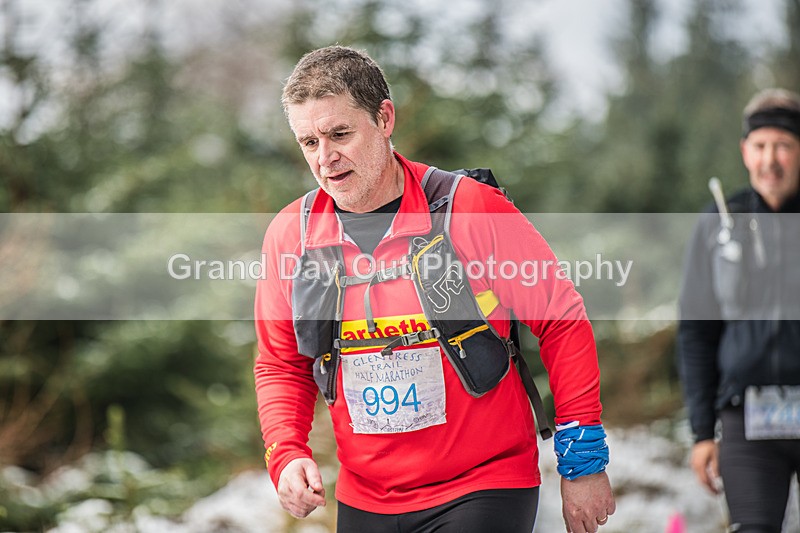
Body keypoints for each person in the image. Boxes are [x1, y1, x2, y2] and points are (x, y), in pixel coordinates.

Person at [254, 45, 615, 533]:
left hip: (484, 484)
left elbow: (560, 319)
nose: (326, 158)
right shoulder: (291, 236)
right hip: (367, 498)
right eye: (309, 143)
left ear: (384, 118)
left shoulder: (469, 209)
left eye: (340, 134)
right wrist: (287, 451)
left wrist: (584, 461)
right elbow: (280, 362)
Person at [678, 88, 800, 532]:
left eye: (784, 145)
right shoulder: (718, 223)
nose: (772, 159)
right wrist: (702, 432)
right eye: (762, 146)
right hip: (746, 420)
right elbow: (696, 331)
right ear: (745, 152)